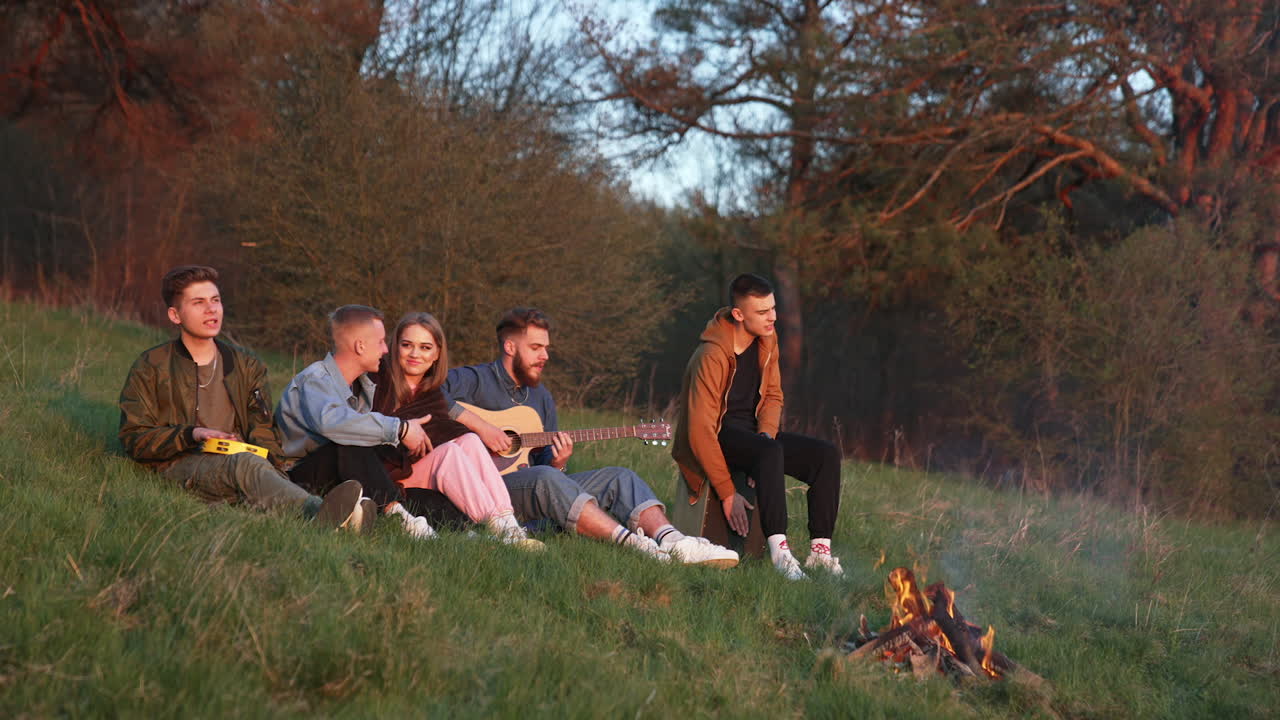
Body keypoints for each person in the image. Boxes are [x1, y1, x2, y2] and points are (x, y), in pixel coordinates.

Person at [444, 307, 739, 567]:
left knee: (620, 477)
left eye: (546, 348)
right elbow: (430, 392)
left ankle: (674, 541)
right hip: (486, 492)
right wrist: (481, 427)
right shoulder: (475, 380)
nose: (545, 356)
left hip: (531, 488)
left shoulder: (541, 397)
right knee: (545, 477)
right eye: (536, 347)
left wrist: (560, 461)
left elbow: (549, 469)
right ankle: (633, 544)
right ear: (509, 346)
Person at [118, 265, 371, 531]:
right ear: (175, 314)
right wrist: (192, 434)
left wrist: (272, 464)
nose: (211, 310)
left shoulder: (246, 365)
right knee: (246, 466)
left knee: (289, 462)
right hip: (178, 463)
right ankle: (319, 513)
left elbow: (261, 429)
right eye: (199, 303)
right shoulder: (152, 365)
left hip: (239, 460)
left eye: (215, 301)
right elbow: (134, 437)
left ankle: (353, 519)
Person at [671, 273, 844, 580]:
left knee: (825, 456)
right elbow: (699, 432)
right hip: (717, 434)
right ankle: (781, 553)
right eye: (762, 312)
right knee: (768, 451)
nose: (772, 318)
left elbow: (774, 396)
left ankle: (821, 553)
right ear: (738, 314)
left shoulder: (768, 339)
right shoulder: (710, 355)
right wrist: (727, 493)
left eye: (773, 308)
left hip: (754, 438)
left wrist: (764, 436)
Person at [372, 312, 543, 551]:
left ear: (436, 354)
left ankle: (509, 524)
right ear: (395, 345)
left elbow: (452, 413)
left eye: (425, 347)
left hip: (416, 465)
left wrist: (482, 429)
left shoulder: (431, 392)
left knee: (470, 440)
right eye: (407, 345)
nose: (414, 354)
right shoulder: (379, 379)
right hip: (389, 475)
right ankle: (494, 525)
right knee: (449, 453)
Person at [275, 305, 438, 540]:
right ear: (360, 346)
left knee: (421, 495)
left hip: (339, 476)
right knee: (349, 444)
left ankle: (469, 529)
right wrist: (399, 429)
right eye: (381, 341)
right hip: (295, 480)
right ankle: (397, 519)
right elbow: (334, 424)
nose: (385, 349)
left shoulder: (362, 386)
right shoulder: (315, 380)